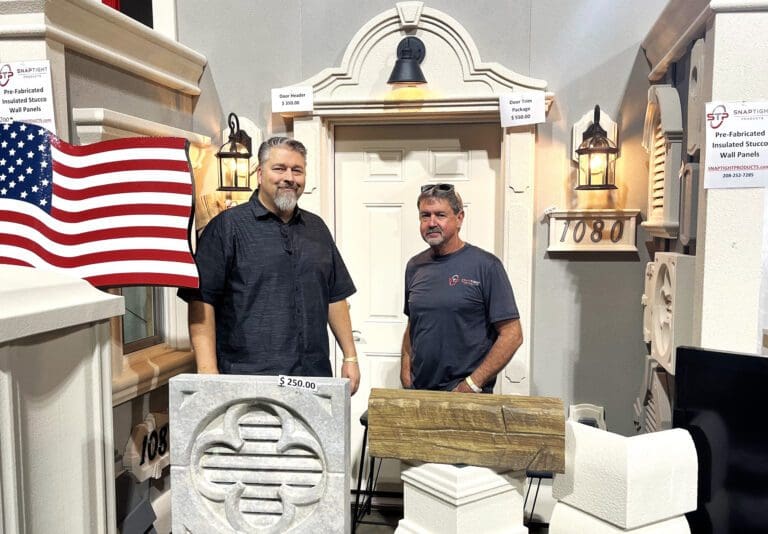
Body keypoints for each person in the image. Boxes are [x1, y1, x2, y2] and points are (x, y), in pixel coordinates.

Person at [180, 136, 360, 394]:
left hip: (312, 380)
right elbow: (201, 300)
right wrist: (208, 374)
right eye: (280, 168)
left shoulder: (317, 229)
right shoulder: (227, 228)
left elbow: (335, 295)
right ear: (260, 173)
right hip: (247, 382)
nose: (289, 177)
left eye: (297, 170)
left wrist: (349, 356)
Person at [401, 183, 522, 393]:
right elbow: (414, 323)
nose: (431, 223)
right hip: (420, 393)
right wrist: (405, 368)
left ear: (459, 218)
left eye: (440, 215)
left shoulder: (486, 266)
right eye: (424, 216)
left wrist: (472, 384)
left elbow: (512, 334)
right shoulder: (414, 266)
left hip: (467, 397)